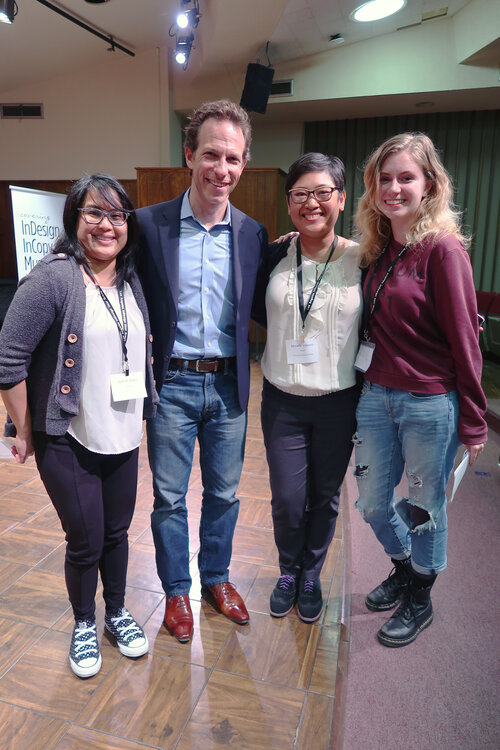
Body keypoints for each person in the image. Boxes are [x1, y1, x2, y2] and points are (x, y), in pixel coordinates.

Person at [0, 174, 158, 678]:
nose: (106, 225)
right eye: (94, 213)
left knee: (116, 534)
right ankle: (85, 622)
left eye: (117, 216)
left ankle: (117, 613)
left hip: (123, 433)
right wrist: (24, 429)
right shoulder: (54, 278)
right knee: (86, 538)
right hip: (67, 437)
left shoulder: (130, 277)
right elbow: (8, 360)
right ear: (74, 218)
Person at [136, 100, 268, 642]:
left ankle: (215, 578)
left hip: (230, 385)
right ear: (189, 155)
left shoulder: (254, 233)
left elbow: (266, 303)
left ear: (243, 164)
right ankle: (174, 590)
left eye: (233, 159)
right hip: (171, 383)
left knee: (224, 494)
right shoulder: (148, 225)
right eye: (211, 154)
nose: (222, 169)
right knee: (169, 497)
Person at [352, 133, 487, 647]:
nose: (393, 188)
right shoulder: (378, 249)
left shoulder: (444, 251)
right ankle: (408, 569)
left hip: (430, 403)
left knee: (424, 507)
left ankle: (421, 595)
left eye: (405, 177)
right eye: (384, 179)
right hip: (375, 398)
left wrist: (474, 420)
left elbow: (465, 343)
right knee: (370, 503)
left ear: (428, 184)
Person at [252, 153, 362, 622]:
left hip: (339, 403)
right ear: (289, 201)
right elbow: (255, 312)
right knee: (287, 499)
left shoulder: (363, 258)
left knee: (325, 496)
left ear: (340, 199)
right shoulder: (274, 253)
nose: (311, 202)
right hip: (281, 402)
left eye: (322, 193)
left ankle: (311, 574)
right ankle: (288, 570)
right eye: (300, 193)